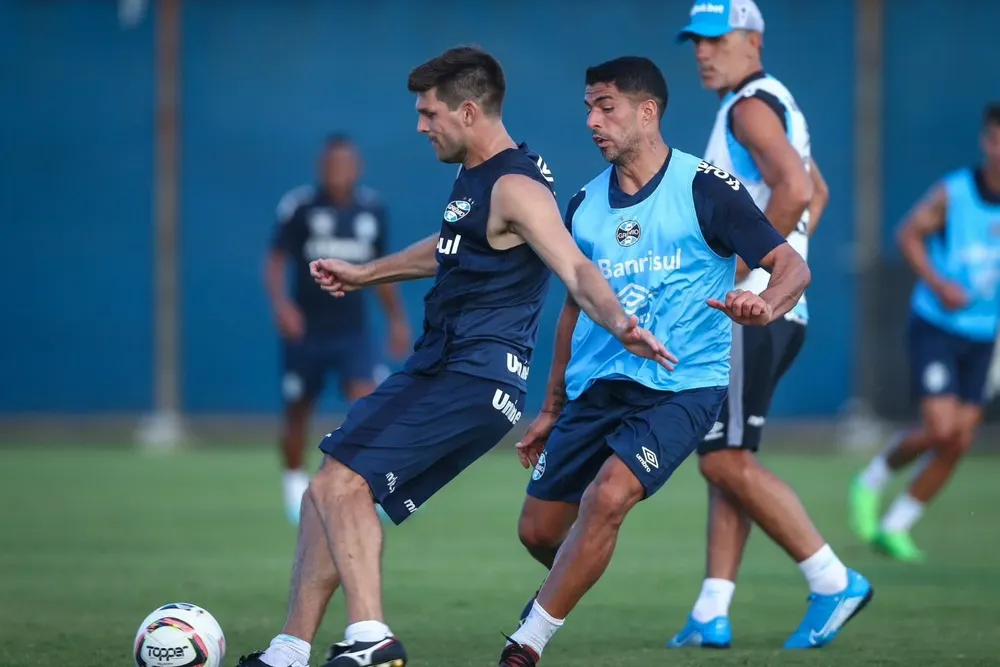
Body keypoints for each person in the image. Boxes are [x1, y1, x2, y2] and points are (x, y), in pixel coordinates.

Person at [235, 45, 672, 667]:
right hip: (449, 368)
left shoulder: (516, 186)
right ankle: (290, 647)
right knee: (322, 496)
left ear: (468, 111)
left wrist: (621, 322)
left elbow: (574, 265)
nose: (420, 126)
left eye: (428, 113)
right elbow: (448, 246)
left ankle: (370, 639)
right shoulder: (480, 176)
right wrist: (366, 274)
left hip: (470, 373)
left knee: (338, 483)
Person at [498, 55, 812, 667]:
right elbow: (571, 312)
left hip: (681, 386)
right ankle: (571, 578)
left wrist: (765, 303)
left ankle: (525, 643)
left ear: (648, 112)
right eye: (588, 107)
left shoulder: (705, 187)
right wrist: (551, 407)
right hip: (595, 390)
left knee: (608, 496)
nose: (592, 120)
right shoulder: (583, 204)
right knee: (538, 531)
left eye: (605, 106)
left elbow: (792, 267)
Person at [661, 0, 872, 651]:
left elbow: (795, 189)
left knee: (722, 460)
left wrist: (753, 274)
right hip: (782, 307)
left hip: (754, 308)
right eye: (695, 39)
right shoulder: (770, 100)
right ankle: (712, 608)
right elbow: (817, 190)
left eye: (715, 38)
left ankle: (832, 579)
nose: (702, 50)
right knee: (731, 457)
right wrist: (789, 259)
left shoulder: (749, 105)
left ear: (753, 40)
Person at [849, 102, 1000, 562]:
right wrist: (939, 283)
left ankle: (897, 526)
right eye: (996, 139)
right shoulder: (955, 194)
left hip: (983, 334)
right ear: (985, 141)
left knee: (959, 439)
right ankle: (872, 478)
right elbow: (907, 235)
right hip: (937, 325)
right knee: (939, 427)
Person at [267, 135, 411, 525]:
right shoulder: (300, 207)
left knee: (367, 403)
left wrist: (397, 320)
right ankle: (293, 488)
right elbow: (276, 259)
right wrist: (282, 305)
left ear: (357, 168)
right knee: (298, 409)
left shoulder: (371, 211)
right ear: (321, 167)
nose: (338, 172)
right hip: (307, 331)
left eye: (345, 165)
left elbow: (382, 271)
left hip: (352, 331)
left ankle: (372, 486)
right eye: (332, 165)